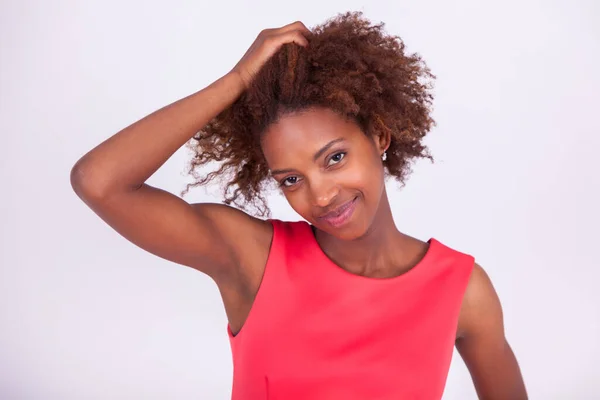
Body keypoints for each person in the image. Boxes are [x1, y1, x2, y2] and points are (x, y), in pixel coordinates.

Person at [70, 11, 527, 400]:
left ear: (380, 136)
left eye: (335, 158)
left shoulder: (464, 289)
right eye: (291, 179)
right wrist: (235, 82)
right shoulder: (253, 258)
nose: (321, 195)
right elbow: (100, 181)